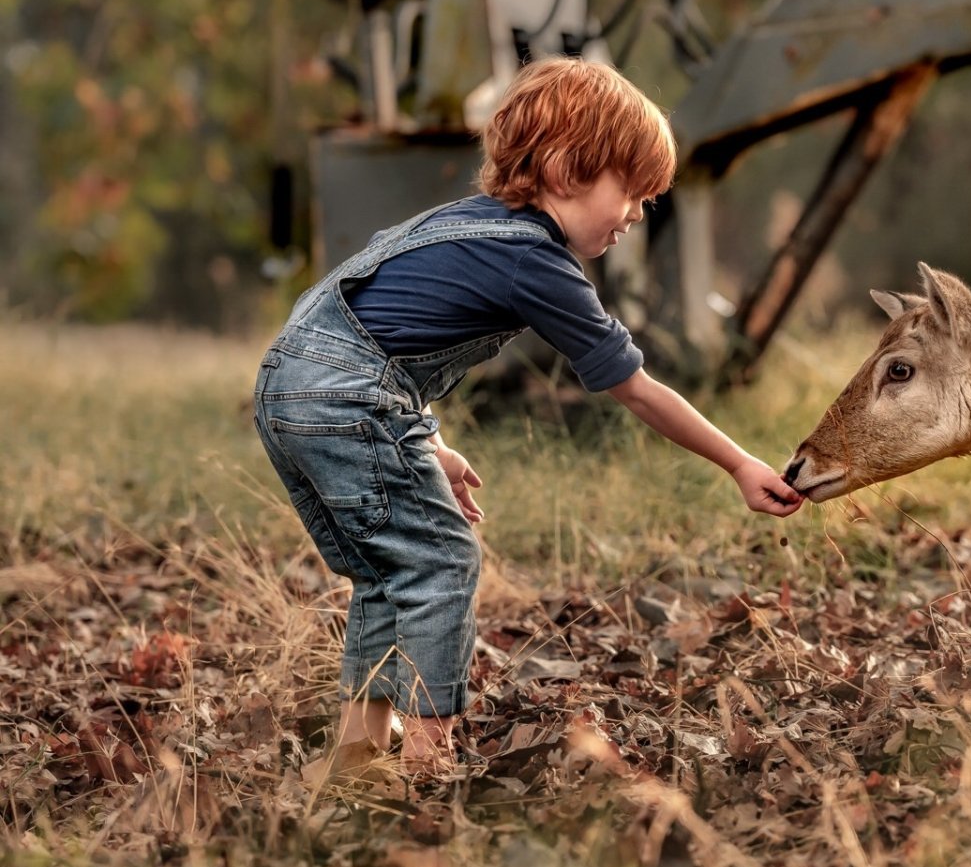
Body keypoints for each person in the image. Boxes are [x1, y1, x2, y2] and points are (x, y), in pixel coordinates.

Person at [253, 58, 803, 781]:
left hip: (291, 388)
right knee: (441, 561)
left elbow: (383, 341)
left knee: (389, 572)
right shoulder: (537, 264)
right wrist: (738, 462)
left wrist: (428, 445)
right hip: (346, 397)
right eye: (631, 190)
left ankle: (358, 755)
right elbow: (637, 389)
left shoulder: (458, 225)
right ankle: (427, 761)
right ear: (565, 165)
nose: (639, 212)